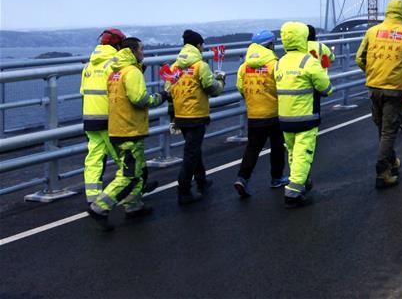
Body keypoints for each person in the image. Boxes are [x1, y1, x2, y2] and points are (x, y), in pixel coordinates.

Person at [87, 37, 162, 229]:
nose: (143, 53)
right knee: (128, 174)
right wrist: (160, 97)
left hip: (117, 127)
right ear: (133, 51)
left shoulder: (114, 72)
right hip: (130, 129)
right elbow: (140, 99)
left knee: (136, 170)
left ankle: (133, 205)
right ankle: (100, 207)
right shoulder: (131, 72)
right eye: (141, 49)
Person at [355, 0, 402, 189]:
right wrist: (401, 70)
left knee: (381, 127)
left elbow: (359, 58)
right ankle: (383, 172)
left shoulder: (372, 32)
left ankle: (391, 160)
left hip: (374, 87)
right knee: (388, 130)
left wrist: (372, 71)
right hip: (394, 89)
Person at [276, 21, 333, 207]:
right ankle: (293, 193)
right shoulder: (308, 61)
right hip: (306, 115)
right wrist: (327, 89)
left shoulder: (280, 62)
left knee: (293, 151)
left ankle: (300, 181)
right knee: (304, 152)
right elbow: (325, 87)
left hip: (284, 117)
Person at [167, 29, 224, 205]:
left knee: (194, 148)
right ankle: (183, 190)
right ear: (198, 46)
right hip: (197, 115)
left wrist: (173, 116)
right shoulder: (200, 66)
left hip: (180, 115)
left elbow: (169, 91)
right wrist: (220, 81)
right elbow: (211, 89)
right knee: (191, 153)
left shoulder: (174, 66)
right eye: (202, 45)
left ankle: (202, 181)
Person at [233, 30, 288, 198]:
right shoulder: (274, 64)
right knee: (277, 147)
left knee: (252, 148)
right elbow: (282, 86)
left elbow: (240, 87)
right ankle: (276, 178)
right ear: (269, 45)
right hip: (274, 113)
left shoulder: (244, 66)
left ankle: (242, 178)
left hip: (254, 114)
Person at [80, 28, 125, 204]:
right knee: (122, 157)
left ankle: (93, 197)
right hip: (109, 117)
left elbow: (83, 91)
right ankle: (131, 192)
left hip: (89, 117)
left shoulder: (88, 66)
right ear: (118, 44)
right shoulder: (113, 64)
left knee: (94, 158)